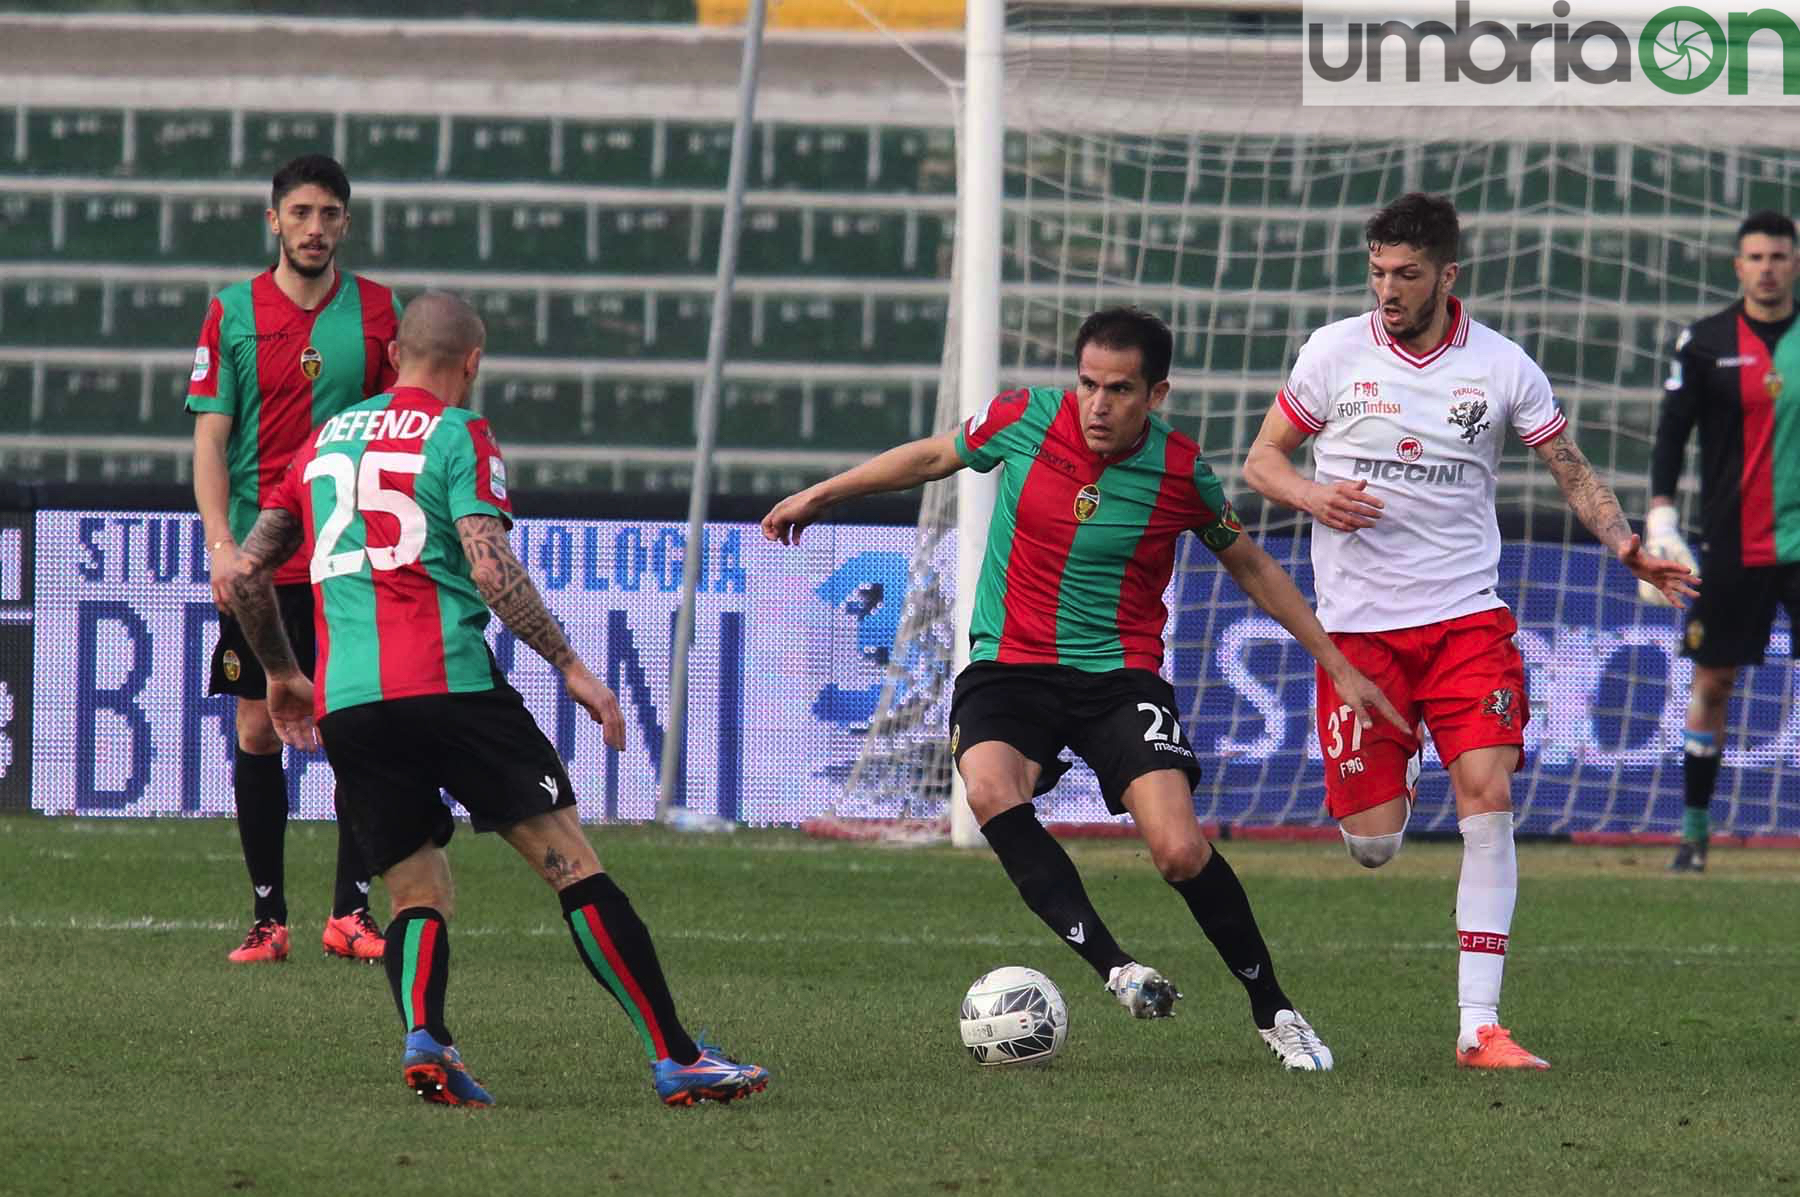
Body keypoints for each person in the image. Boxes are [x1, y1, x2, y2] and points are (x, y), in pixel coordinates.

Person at [762, 306, 1405, 1072]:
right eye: (1089, 384)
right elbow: (934, 457)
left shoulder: (1181, 472)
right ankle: (1117, 968)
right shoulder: (1025, 417)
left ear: (1155, 395)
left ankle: (1275, 1010)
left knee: (1176, 850)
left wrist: (1336, 663)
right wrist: (823, 494)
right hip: (1009, 666)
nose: (1098, 405)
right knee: (991, 789)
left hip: (1117, 677)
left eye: (1120, 390)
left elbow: (1252, 564)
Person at [222, 291, 768, 1109]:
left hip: (351, 706)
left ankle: (428, 1039)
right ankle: (678, 1057)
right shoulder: (459, 432)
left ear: (395, 353)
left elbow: (245, 572)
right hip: (450, 685)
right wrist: (572, 665)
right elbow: (487, 564)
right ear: (471, 362)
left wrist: (280, 672)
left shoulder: (322, 441)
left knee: (415, 892)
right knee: (571, 864)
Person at [1242, 192, 1699, 1070]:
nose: (1387, 289)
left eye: (1406, 274)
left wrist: (1624, 545)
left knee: (1488, 798)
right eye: (1377, 271)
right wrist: (1312, 494)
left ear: (1447, 276)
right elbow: (1263, 461)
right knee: (1374, 842)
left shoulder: (1502, 368)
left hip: (1464, 622)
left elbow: (1570, 468)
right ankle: (1397, 769)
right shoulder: (1333, 353)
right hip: (1358, 637)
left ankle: (1477, 1026)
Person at [187, 153, 401, 964]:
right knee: (257, 725)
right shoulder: (232, 311)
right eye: (301, 213)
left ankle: (351, 912)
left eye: (330, 215)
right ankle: (267, 917)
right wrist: (218, 543)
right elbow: (210, 437)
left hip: (352, 557)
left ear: (347, 224)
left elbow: (403, 425)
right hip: (258, 561)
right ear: (272, 219)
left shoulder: (381, 313)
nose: (315, 228)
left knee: (357, 726)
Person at [1645, 210, 1800, 874]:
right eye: (1755, 257)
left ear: (1794, 263)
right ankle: (1694, 833)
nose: (1767, 267)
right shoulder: (1705, 341)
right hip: (1734, 545)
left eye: (1779, 256)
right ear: (1738, 266)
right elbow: (1671, 432)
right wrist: (1658, 516)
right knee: (1712, 681)